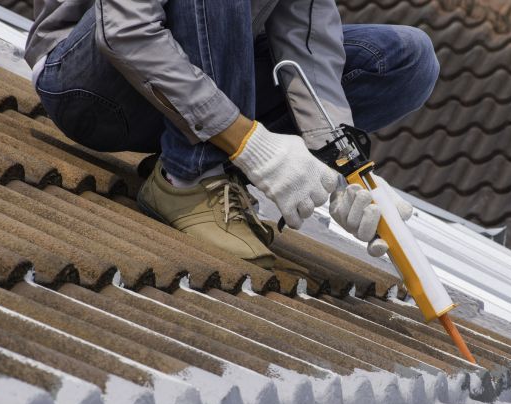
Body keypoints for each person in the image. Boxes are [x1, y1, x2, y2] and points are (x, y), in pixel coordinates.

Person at [25, 0, 439, 269]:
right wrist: (248, 142)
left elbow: (307, 41)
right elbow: (126, 31)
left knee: (407, 59)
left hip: (187, 92)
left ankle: (208, 153)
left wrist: (344, 163)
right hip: (92, 89)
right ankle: (190, 177)